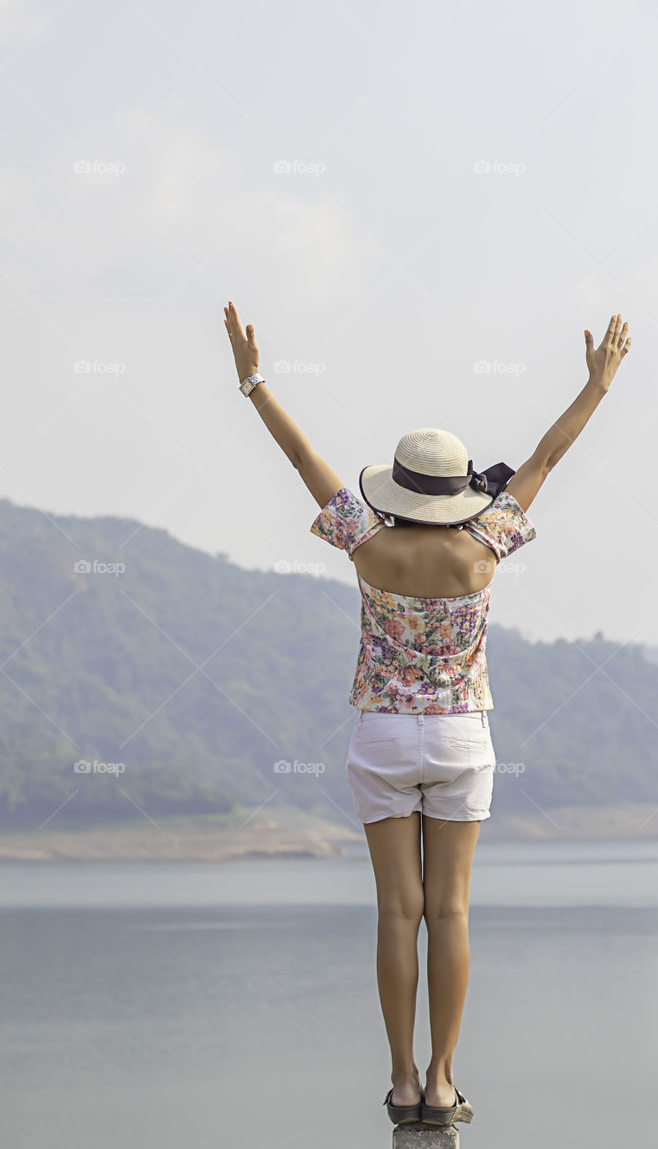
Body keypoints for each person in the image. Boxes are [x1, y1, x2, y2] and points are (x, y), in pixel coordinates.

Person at [223, 302, 631, 1128]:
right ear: (459, 489)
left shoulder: (366, 540)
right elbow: (551, 454)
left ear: (399, 488)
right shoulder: (487, 542)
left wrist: (254, 382)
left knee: (395, 913)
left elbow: (303, 456)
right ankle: (445, 1081)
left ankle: (402, 1079)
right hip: (459, 737)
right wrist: (596, 387)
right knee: (450, 911)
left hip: (380, 732)